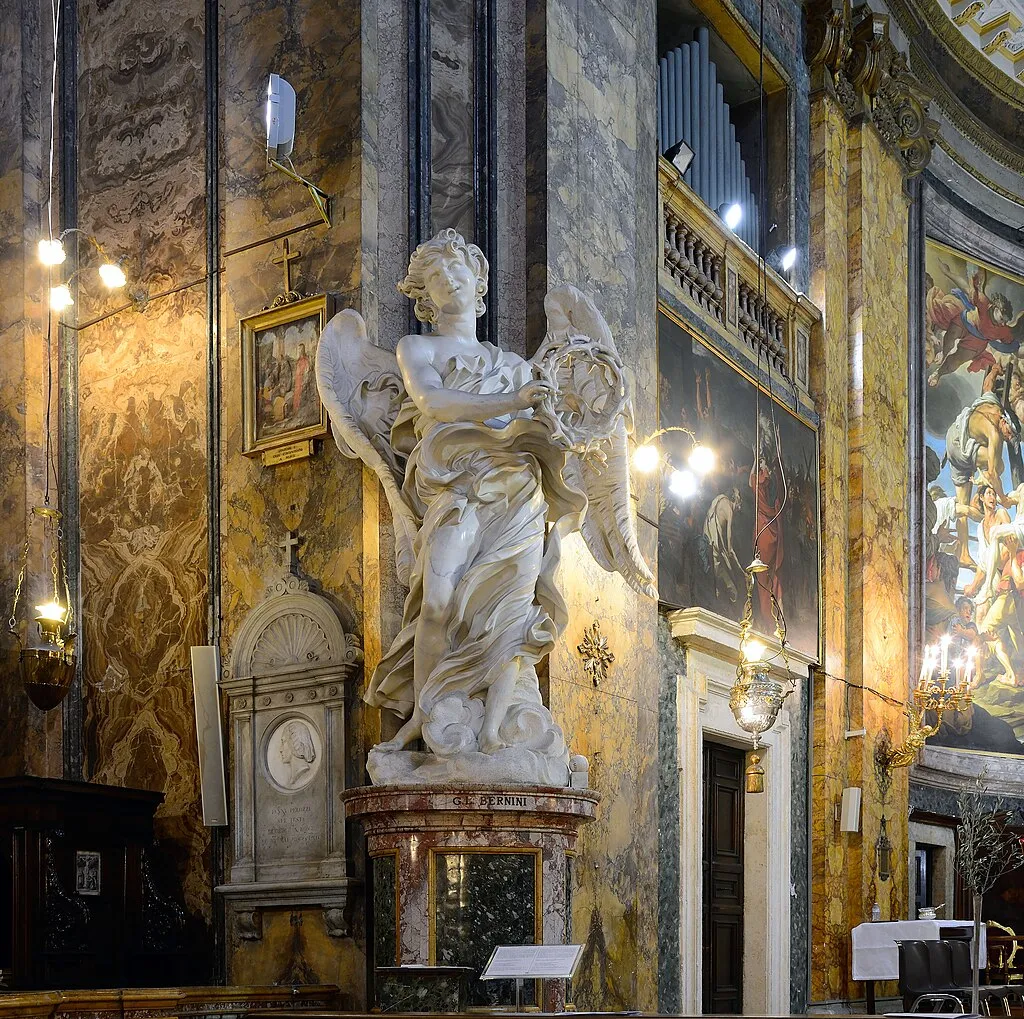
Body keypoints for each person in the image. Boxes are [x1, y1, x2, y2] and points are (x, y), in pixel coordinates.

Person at [943, 394, 1017, 566]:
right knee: (999, 467)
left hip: (953, 438)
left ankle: (963, 554)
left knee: (962, 505)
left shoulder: (991, 402)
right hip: (961, 449)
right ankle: (980, 496)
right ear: (1005, 422)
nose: (1007, 438)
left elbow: (987, 386)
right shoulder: (995, 433)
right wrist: (1003, 498)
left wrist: (994, 372)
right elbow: (992, 473)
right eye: (1009, 434)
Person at [928, 263, 1024, 383]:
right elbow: (965, 287)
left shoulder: (1003, 331)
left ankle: (938, 373)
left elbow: (1016, 350)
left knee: (956, 360)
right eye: (1002, 318)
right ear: (996, 307)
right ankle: (944, 352)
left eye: (1005, 321)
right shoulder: (984, 302)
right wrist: (947, 273)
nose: (1003, 323)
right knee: (952, 334)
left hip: (977, 342)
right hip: (966, 322)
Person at [702, 488, 743, 602]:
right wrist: (730, 549)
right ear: (736, 500)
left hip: (707, 532)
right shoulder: (729, 509)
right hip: (713, 538)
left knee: (717, 564)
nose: (738, 509)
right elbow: (729, 534)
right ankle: (726, 591)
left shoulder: (719, 499)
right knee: (721, 564)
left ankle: (720, 590)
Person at [277, 719, 317, 787]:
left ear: (294, 743)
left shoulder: (301, 773)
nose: (280, 749)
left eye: (283, 742)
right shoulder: (294, 777)